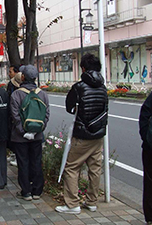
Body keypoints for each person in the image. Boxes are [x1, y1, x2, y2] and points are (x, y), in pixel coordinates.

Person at [55, 53, 108, 214]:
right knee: (95, 168)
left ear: (83, 68)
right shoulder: (103, 87)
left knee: (72, 167)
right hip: (98, 135)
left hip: (82, 135)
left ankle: (72, 204)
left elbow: (70, 108)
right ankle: (92, 202)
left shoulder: (79, 87)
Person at [10, 65, 50, 201]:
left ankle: (26, 192)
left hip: (20, 137)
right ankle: (37, 191)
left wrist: (23, 131)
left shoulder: (16, 94)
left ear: (22, 77)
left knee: (23, 162)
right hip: (37, 136)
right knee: (36, 161)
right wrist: (37, 131)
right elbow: (46, 115)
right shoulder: (43, 94)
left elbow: (15, 117)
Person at [139, 92, 152, 223]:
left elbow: (144, 116)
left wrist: (147, 139)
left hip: (150, 147)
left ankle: (150, 218)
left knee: (149, 183)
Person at [7, 72, 23, 167]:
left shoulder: (16, 94)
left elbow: (14, 112)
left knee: (19, 140)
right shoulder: (39, 92)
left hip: (18, 123)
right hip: (35, 128)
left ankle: (18, 157)